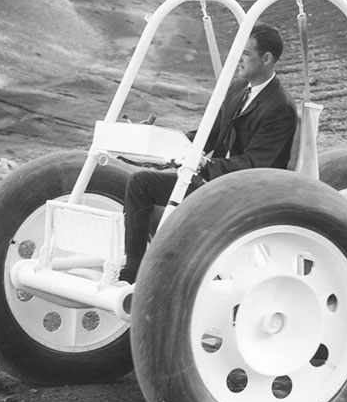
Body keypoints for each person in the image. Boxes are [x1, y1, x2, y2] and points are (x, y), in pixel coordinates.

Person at [118, 24, 297, 283]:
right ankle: (132, 272)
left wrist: (205, 166)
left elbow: (254, 165)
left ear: (267, 59)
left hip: (247, 193)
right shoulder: (237, 89)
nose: (238, 59)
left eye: (245, 54)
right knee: (140, 183)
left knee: (179, 197)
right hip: (215, 183)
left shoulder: (280, 107)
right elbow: (207, 135)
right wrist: (161, 138)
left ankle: (173, 276)